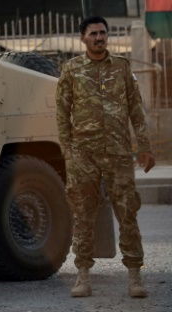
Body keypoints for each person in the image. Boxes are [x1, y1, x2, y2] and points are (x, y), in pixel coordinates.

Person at [56, 15, 156, 299]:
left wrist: (145, 146)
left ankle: (134, 275)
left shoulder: (122, 67)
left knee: (127, 212)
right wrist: (67, 150)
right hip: (83, 155)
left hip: (119, 153)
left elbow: (136, 109)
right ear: (83, 38)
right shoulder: (72, 69)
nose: (99, 37)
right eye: (93, 33)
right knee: (83, 214)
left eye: (103, 33)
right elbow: (62, 112)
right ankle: (83, 276)